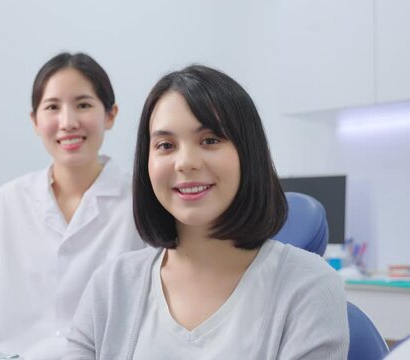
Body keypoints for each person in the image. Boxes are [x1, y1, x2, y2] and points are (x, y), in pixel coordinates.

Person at [66, 65, 349, 359]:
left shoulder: (309, 287)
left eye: (210, 140)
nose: (185, 162)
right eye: (165, 145)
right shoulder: (111, 286)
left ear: (248, 153)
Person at [0, 52, 145, 359]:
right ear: (35, 120)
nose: (68, 122)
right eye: (52, 107)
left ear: (111, 114)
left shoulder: (141, 202)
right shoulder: (7, 202)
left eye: (83, 104)